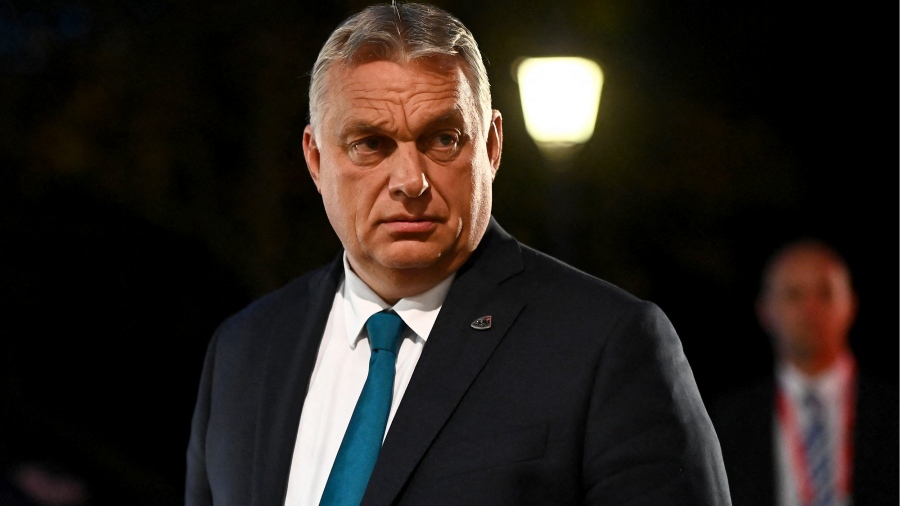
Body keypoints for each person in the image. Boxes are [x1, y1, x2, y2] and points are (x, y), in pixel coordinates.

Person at [185, 3, 731, 505]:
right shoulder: (243, 350)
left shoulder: (607, 345)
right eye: (370, 144)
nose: (410, 180)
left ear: (491, 146)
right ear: (315, 158)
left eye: (443, 139)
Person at [709, 238, 897, 506]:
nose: (810, 309)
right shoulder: (728, 422)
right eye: (794, 295)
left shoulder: (892, 411)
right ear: (765, 310)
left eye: (825, 293)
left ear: (851, 304)